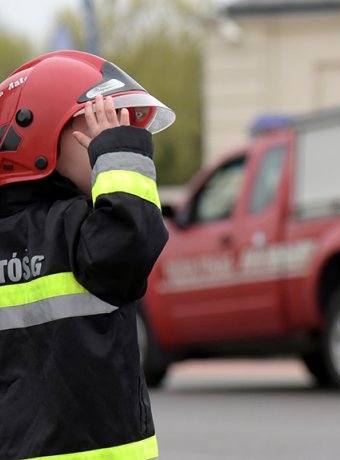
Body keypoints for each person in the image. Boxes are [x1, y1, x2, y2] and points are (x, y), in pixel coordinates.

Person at [0, 50, 175, 459]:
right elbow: (130, 246)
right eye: (100, 124)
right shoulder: (82, 227)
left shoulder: (81, 222)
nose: (112, 138)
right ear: (39, 135)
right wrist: (121, 154)